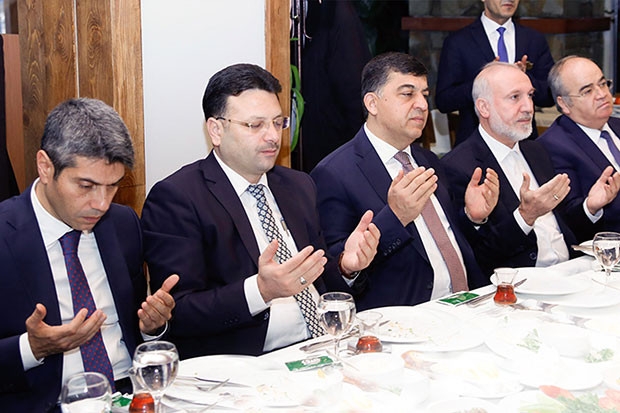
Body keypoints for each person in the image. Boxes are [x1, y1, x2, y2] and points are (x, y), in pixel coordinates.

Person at [141, 63, 380, 359]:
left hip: (323, 346)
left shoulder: (298, 185)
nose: (272, 136)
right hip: (250, 362)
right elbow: (180, 311)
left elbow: (316, 281)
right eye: (255, 125)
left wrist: (346, 267)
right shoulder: (177, 197)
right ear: (216, 130)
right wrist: (261, 291)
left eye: (278, 123)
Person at [0, 98, 178, 412]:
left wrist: (151, 327)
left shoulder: (122, 225)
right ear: (45, 167)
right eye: (86, 186)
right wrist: (32, 347)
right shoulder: (5, 234)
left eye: (112, 186)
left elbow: (135, 329)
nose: (102, 203)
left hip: (131, 395)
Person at [310, 52, 495, 311]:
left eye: (424, 95)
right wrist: (395, 217)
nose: (422, 105)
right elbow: (337, 275)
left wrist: (472, 218)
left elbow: (448, 239)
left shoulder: (428, 160)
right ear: (372, 104)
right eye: (408, 94)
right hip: (405, 316)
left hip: (469, 304)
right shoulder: (334, 173)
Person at [441, 62, 583, 276]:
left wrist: (590, 207)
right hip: (520, 283)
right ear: (484, 107)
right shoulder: (460, 167)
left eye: (530, 96)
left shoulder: (536, 150)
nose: (528, 107)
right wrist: (525, 217)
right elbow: (479, 255)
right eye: (515, 97)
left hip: (572, 270)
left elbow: (564, 224)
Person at [436, 0, 554, 146]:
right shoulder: (458, 41)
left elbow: (550, 96)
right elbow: (444, 101)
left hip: (524, 145)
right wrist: (484, 80)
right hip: (476, 147)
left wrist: (524, 79)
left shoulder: (533, 39)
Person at [538, 56, 620, 239]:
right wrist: (590, 207)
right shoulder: (553, 146)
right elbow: (567, 219)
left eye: (603, 84)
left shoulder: (617, 125)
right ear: (564, 104)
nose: (602, 94)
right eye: (587, 91)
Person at [300, 0, 372, 172]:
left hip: (334, 135)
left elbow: (352, 85)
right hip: (315, 130)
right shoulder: (314, 9)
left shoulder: (338, 13)